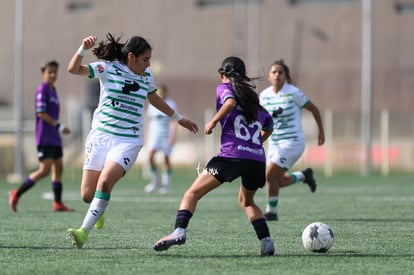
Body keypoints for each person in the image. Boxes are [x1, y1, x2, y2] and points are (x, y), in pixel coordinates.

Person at [65, 33, 199, 249]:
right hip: (100, 136)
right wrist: (82, 49)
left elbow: (155, 99)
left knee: (105, 182)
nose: (149, 64)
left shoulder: (146, 76)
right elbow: (73, 69)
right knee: (87, 194)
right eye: (145, 59)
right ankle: (98, 210)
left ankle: (83, 233)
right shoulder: (108, 68)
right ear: (131, 57)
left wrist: (179, 118)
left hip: (127, 140)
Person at [153, 56, 276, 256]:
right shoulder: (255, 102)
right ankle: (267, 242)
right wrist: (255, 144)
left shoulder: (223, 89)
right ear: (243, 77)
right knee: (247, 201)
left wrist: (212, 122)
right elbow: (269, 125)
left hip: (231, 156)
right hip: (256, 160)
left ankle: (179, 231)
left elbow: (229, 102)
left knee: (191, 194)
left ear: (222, 75)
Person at [259, 59, 325, 221]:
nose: (277, 75)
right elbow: (260, 119)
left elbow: (314, 109)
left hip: (293, 142)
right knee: (275, 180)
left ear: (286, 76)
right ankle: (303, 176)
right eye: (273, 72)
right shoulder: (264, 96)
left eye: (280, 72)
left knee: (269, 175)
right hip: (274, 143)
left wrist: (321, 132)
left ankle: (271, 212)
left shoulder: (293, 92)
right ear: (268, 76)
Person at [8, 60, 74, 212]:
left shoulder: (53, 90)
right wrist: (60, 126)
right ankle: (16, 193)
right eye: (49, 72)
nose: (52, 75)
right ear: (43, 73)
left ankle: (57, 203)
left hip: (55, 137)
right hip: (45, 136)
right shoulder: (42, 89)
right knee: (44, 170)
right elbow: (41, 113)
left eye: (54, 72)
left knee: (58, 168)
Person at [144, 84, 178, 194]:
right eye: (159, 93)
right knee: (150, 156)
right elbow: (150, 123)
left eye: (162, 93)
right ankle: (155, 181)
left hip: (166, 135)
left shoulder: (171, 104)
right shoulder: (152, 105)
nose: (161, 95)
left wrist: (172, 137)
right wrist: (147, 137)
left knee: (166, 159)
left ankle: (166, 184)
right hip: (154, 135)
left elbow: (173, 122)